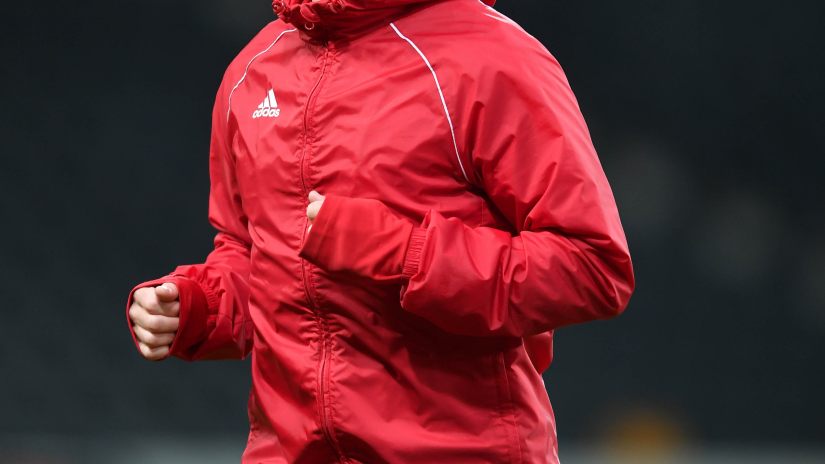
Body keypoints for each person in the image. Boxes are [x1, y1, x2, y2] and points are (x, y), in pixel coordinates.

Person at [125, 0, 635, 462]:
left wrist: (401, 252)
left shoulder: (493, 57)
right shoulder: (252, 71)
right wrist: (200, 303)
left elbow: (592, 267)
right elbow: (249, 252)